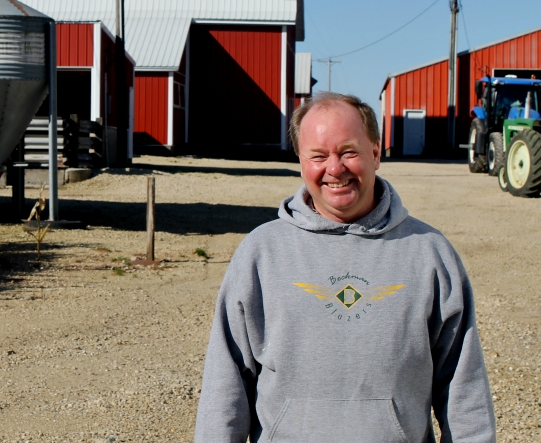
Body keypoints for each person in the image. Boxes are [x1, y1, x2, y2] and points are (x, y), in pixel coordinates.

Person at [194, 92, 496, 443]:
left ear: (376, 153)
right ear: (301, 161)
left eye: (348, 151)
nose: (334, 169)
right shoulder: (261, 254)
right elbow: (225, 383)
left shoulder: (430, 253)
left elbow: (464, 386)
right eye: (318, 156)